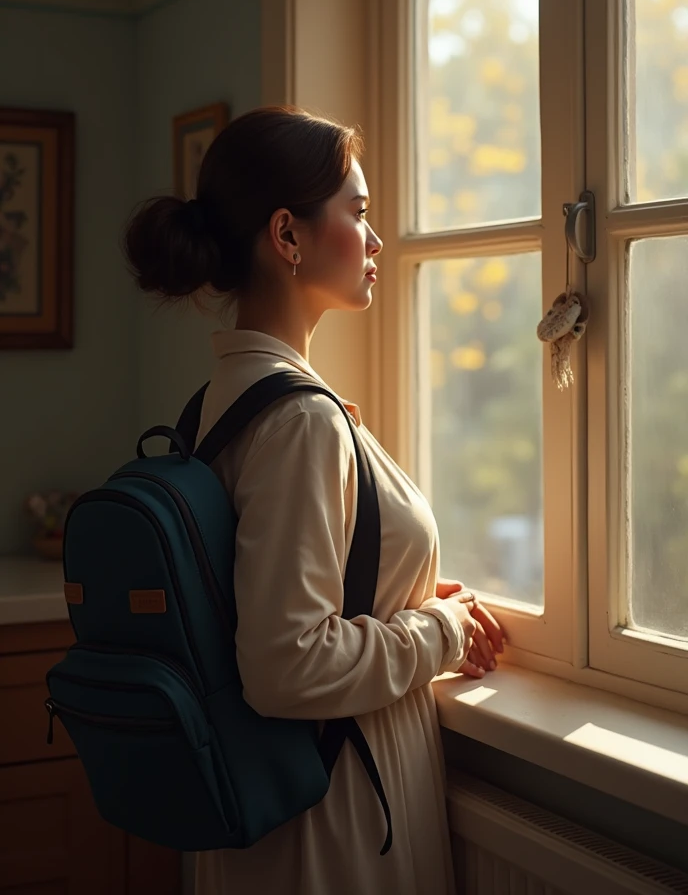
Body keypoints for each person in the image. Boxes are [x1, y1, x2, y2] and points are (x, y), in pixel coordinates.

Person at [123, 106, 505, 895]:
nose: (375, 241)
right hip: (333, 823)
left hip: (278, 818)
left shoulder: (218, 401)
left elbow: (261, 598)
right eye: (358, 213)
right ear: (287, 237)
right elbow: (285, 666)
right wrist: (441, 629)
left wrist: (393, 594)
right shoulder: (299, 419)